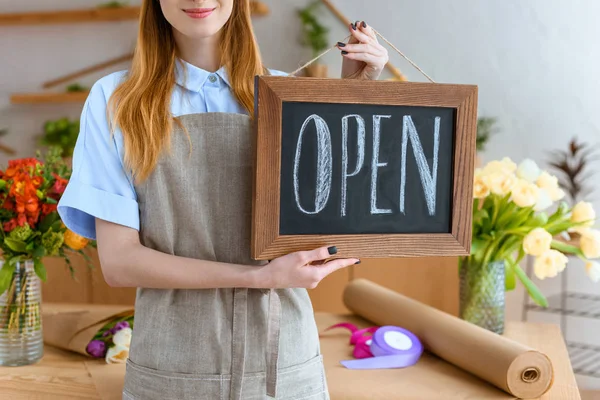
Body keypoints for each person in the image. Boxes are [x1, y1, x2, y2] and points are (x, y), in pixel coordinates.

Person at [57, 1, 389, 399]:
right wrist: (258, 278)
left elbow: (332, 222)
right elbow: (120, 263)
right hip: (170, 371)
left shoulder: (290, 95)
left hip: (285, 368)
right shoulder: (115, 100)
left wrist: (354, 96)